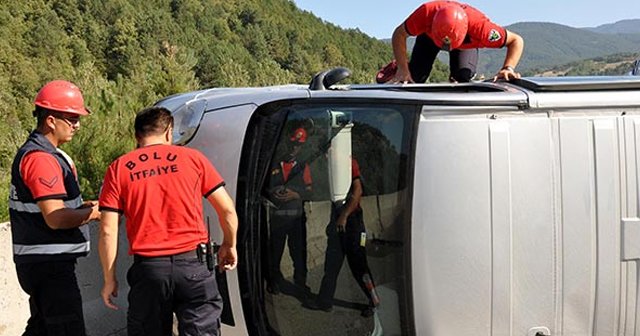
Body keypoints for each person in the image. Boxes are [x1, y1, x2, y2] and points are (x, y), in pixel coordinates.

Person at [98, 106, 238, 336]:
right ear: (169, 132)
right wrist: (229, 245)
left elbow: (107, 230)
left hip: (150, 271)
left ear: (137, 136)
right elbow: (227, 211)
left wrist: (109, 278)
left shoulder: (119, 168)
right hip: (194, 266)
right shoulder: (193, 158)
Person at [9, 80, 100, 335]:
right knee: (67, 329)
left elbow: (48, 208)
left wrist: (83, 207)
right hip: (50, 268)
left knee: (42, 328)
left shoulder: (41, 153)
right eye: (71, 118)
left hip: (40, 264)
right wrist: (94, 213)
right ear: (50, 120)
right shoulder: (42, 159)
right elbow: (56, 218)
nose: (77, 125)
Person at [378, 0, 524, 84]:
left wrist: (508, 68)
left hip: (463, 44)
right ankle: (397, 65)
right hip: (429, 38)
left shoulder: (482, 29)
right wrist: (403, 69)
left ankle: (457, 75)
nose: (445, 48)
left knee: (462, 78)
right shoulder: (425, 13)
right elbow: (399, 34)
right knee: (414, 78)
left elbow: (516, 41)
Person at [304, 159, 378, 317]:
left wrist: (344, 215)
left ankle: (374, 301)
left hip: (353, 223)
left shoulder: (348, 160)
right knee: (332, 264)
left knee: (359, 266)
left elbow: (357, 191)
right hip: (338, 221)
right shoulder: (328, 164)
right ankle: (324, 301)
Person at [265, 127, 313, 295]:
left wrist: (296, 194)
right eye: (293, 143)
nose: (294, 148)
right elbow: (264, 188)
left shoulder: (303, 166)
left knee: (299, 254)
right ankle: (273, 282)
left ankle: (301, 284)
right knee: (274, 253)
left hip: (296, 219)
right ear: (288, 142)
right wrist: (272, 192)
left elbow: (311, 191)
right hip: (277, 218)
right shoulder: (273, 164)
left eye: (298, 145)